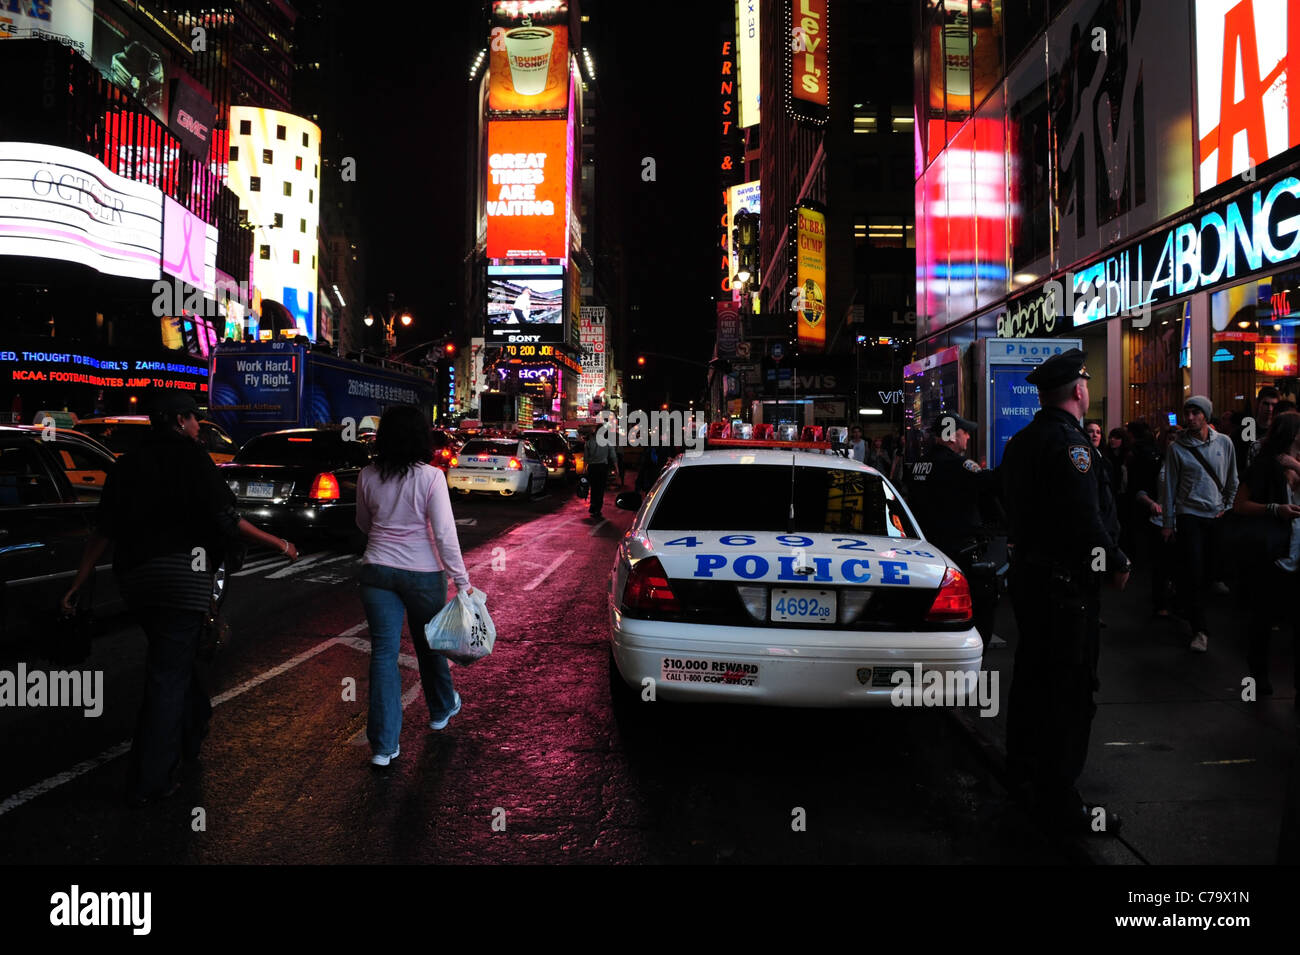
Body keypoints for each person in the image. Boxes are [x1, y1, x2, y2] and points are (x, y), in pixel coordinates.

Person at [62, 393, 300, 805]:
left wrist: (78, 582)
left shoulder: (129, 463)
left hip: (136, 579)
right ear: (178, 420)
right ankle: (151, 781)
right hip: (182, 577)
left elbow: (104, 529)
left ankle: (193, 730)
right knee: (167, 675)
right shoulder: (194, 460)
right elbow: (226, 520)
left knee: (175, 657)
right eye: (194, 420)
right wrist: (279, 543)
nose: (197, 427)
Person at [999, 348, 1130, 834]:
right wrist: (1114, 560)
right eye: (1086, 383)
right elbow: (1084, 516)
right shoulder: (1070, 445)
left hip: (1034, 581)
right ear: (1078, 390)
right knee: (1069, 692)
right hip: (1065, 587)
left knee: (1033, 681)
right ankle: (1060, 800)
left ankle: (1024, 777)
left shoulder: (1024, 442)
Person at [356, 405, 472, 767]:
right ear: (422, 437)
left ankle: (383, 746)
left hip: (376, 570)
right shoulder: (432, 478)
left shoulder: (368, 475)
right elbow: (444, 535)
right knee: (430, 644)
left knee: (383, 655)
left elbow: (363, 523)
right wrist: (462, 581)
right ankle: (441, 708)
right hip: (423, 573)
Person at [905, 414, 1001, 648]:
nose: (968, 435)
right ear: (951, 435)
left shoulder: (918, 464)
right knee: (972, 609)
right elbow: (989, 489)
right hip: (958, 550)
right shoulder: (961, 466)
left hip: (923, 549)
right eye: (964, 431)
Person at [1163, 395, 1238, 653]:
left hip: (1215, 514)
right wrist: (1168, 522)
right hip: (1189, 513)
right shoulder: (1177, 448)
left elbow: (1232, 478)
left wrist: (1227, 507)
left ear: (1206, 415)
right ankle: (1200, 629)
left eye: (1196, 413)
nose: (1191, 418)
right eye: (1188, 413)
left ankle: (1185, 603)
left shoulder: (1225, 443)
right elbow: (1170, 486)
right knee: (1194, 571)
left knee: (1209, 572)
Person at [1234, 411, 1300, 698]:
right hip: (1273, 554)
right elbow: (1240, 504)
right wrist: (1275, 509)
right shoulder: (1264, 465)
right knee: (1262, 619)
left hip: (1297, 553)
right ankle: (1258, 676)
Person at [1134, 425, 1181, 617]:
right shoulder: (1155, 462)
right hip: (1159, 520)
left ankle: (1178, 601)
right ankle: (1160, 602)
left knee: (1180, 565)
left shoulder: (1188, 463)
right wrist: (1151, 503)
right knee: (1161, 565)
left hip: (1183, 520)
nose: (1173, 443)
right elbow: (1141, 490)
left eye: (1176, 439)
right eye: (1170, 439)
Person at [584, 425, 612, 518]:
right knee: (600, 489)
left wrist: (584, 469)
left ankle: (593, 505)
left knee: (594, 487)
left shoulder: (588, 443)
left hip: (592, 468)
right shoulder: (607, 442)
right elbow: (613, 456)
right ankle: (597, 508)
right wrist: (617, 469)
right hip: (602, 468)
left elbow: (586, 458)